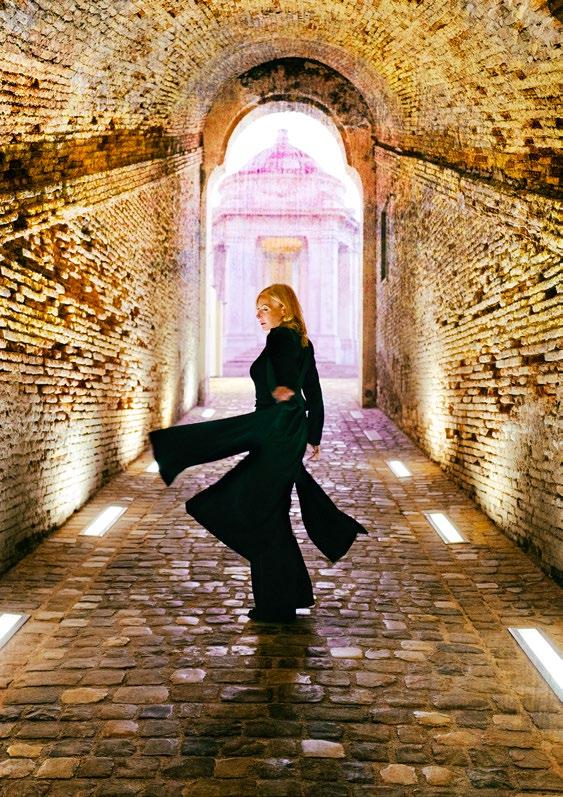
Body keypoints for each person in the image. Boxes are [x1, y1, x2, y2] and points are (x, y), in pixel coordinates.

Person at [149, 284, 367, 622]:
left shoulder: (280, 338)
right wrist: (313, 435)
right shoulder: (303, 342)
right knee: (272, 511)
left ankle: (278, 601)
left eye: (265, 307)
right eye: (258, 308)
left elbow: (288, 378)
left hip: (276, 428)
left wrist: (283, 390)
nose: (258, 314)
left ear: (284, 309)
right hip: (286, 430)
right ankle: (285, 597)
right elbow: (314, 392)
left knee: (255, 506)